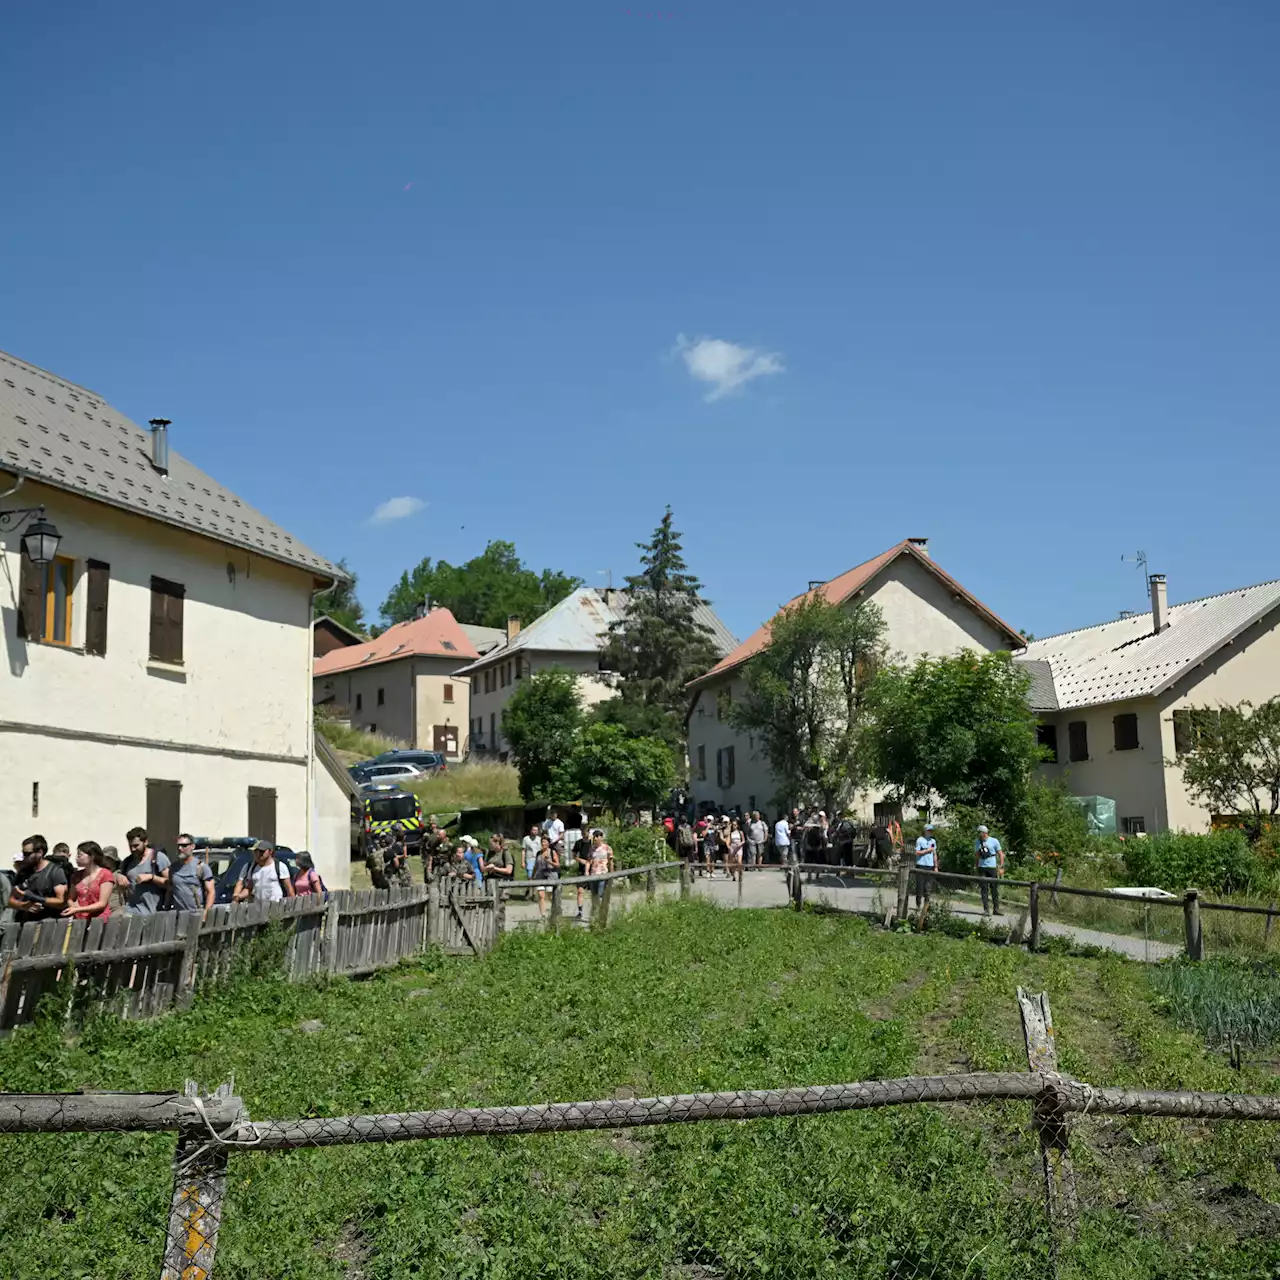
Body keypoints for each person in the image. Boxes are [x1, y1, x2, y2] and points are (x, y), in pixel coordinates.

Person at [10, 835, 69, 920]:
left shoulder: (55, 871)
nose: (25, 857)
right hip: (24, 924)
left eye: (28, 854)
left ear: (40, 852)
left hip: (48, 924)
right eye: (23, 854)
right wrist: (22, 906)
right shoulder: (23, 872)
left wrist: (33, 897)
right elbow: (8, 899)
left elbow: (61, 902)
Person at [116, 826, 170, 916]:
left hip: (153, 913)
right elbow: (120, 874)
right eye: (130, 846)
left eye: (136, 846)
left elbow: (171, 884)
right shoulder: (128, 861)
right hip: (131, 910)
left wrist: (152, 877)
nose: (133, 849)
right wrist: (120, 876)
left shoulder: (158, 858)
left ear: (145, 842)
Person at [65, 841, 115, 921]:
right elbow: (70, 898)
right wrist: (72, 905)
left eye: (80, 855)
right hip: (80, 920)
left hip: (99, 920)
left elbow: (102, 903)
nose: (76, 858)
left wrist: (78, 909)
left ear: (92, 856)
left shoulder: (106, 874)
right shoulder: (76, 876)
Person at [168, 834, 216, 914]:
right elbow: (170, 889)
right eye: (178, 846)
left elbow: (211, 892)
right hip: (177, 916)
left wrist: (206, 913)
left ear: (192, 847)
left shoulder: (201, 867)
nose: (180, 848)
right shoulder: (173, 868)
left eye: (184, 846)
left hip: (196, 915)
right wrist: (167, 908)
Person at [975, 825, 1004, 916]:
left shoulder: (994, 841)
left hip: (992, 867)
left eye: (980, 832)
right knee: (984, 888)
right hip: (982, 867)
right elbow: (977, 855)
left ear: (984, 833)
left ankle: (996, 909)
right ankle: (986, 909)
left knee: (994, 888)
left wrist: (1001, 866)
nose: (979, 835)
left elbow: (1000, 854)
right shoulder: (977, 842)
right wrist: (976, 866)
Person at [531, 834, 559, 918]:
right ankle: (543, 915)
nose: (543, 844)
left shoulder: (552, 852)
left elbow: (557, 865)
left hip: (551, 875)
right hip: (540, 875)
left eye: (545, 842)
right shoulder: (538, 853)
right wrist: (533, 876)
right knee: (541, 895)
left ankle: (554, 911)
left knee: (550, 895)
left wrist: (549, 861)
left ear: (548, 843)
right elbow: (536, 866)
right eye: (542, 842)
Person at [587, 832, 613, 911]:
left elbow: (611, 861)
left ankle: (601, 910)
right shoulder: (592, 849)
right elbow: (589, 861)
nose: (595, 838)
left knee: (600, 893)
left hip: (603, 874)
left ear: (601, 838)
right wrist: (586, 871)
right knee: (594, 894)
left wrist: (612, 872)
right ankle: (595, 910)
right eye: (594, 837)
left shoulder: (607, 848)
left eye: (597, 837)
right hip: (593, 874)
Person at [914, 823, 938, 909]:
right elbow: (917, 852)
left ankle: (926, 905)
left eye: (932, 831)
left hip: (930, 866)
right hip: (921, 865)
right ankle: (918, 905)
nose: (931, 832)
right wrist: (927, 851)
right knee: (920, 886)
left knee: (928, 887)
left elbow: (934, 853)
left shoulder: (932, 841)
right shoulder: (920, 840)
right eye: (929, 831)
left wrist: (936, 866)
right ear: (925, 831)